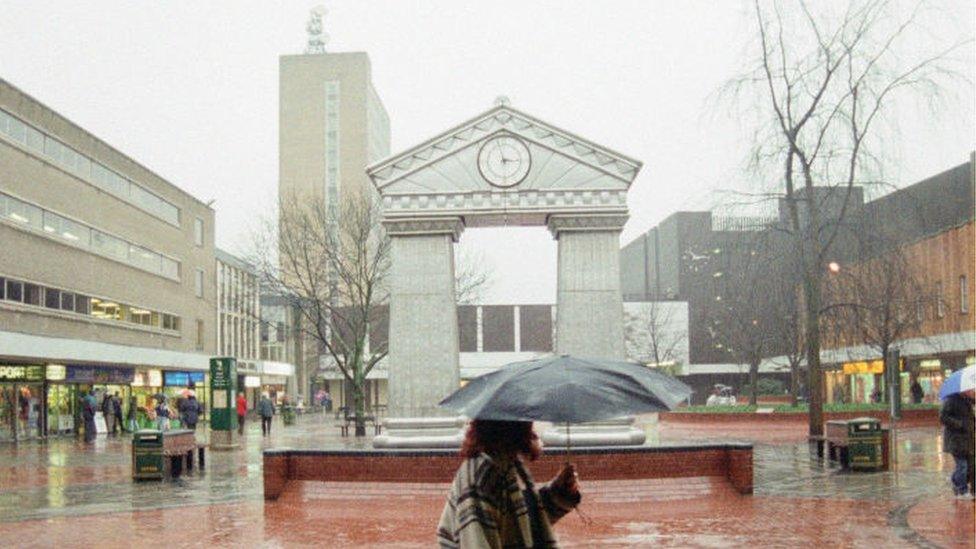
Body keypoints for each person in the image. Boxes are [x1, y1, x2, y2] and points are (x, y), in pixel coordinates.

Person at [437, 420, 580, 548]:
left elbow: (523, 524)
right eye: (528, 420)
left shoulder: (511, 465)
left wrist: (559, 491)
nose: (533, 427)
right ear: (514, 426)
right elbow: (477, 541)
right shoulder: (481, 478)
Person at [940, 389, 975, 498]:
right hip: (955, 439)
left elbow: (970, 418)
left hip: (967, 439)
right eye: (970, 390)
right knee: (962, 466)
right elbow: (943, 417)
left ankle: (955, 480)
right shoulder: (951, 400)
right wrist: (959, 424)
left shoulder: (968, 401)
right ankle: (962, 490)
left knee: (970, 466)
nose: (972, 391)